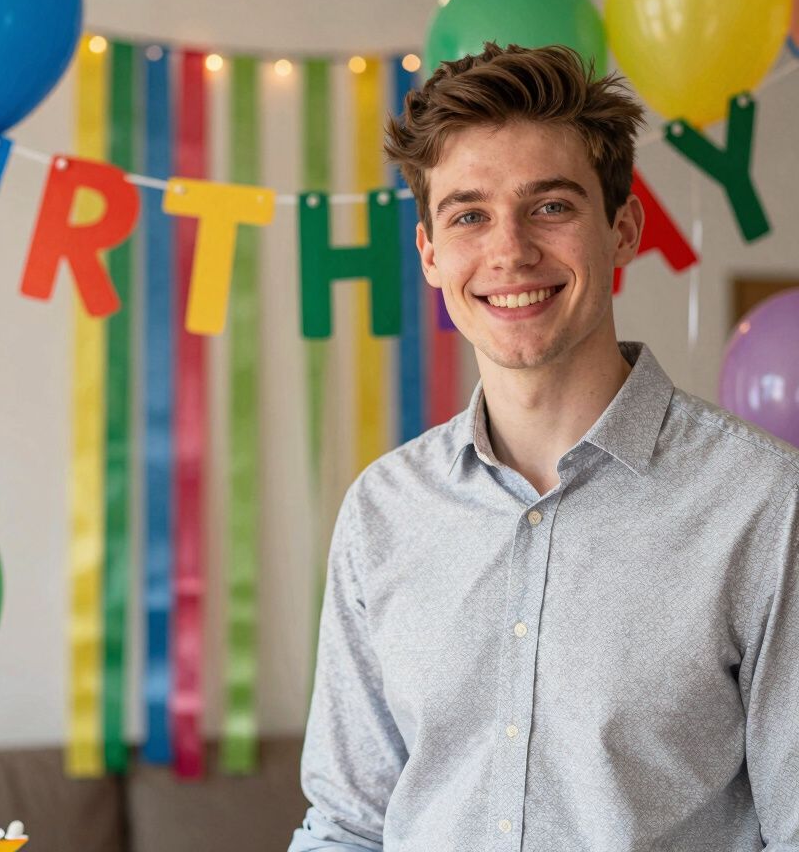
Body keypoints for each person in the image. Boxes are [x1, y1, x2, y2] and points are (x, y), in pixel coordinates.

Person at [287, 43, 799, 851]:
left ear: (622, 229)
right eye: (468, 215)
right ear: (429, 254)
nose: (510, 251)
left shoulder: (763, 503)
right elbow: (347, 826)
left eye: (551, 206)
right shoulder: (382, 512)